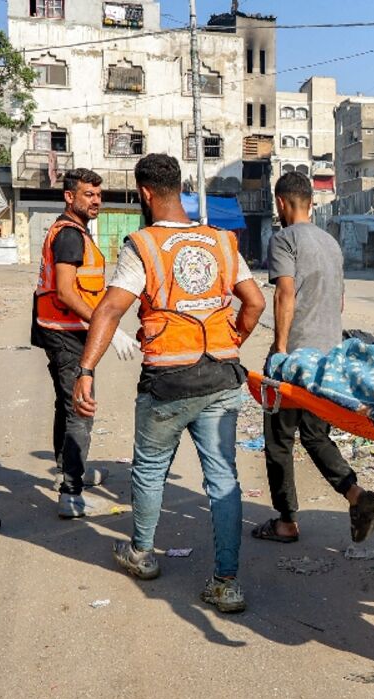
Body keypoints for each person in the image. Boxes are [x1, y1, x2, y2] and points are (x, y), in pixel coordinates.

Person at [72, 153, 265, 614]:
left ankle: (141, 554)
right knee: (222, 480)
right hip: (221, 374)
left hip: (169, 381)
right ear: (180, 188)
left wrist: (86, 370)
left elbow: (110, 309)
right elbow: (254, 303)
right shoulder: (222, 241)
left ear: (144, 193)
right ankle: (226, 583)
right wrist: (229, 339)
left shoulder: (143, 245)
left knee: (151, 468)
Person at [251, 171, 374, 545]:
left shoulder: (284, 239)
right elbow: (338, 301)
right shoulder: (331, 243)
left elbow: (284, 294)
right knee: (315, 434)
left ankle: (286, 522)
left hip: (296, 358)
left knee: (278, 439)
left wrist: (281, 348)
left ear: (280, 203)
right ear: (311, 201)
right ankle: (356, 494)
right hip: (328, 356)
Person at [31, 168, 138, 518]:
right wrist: (106, 323)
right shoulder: (70, 236)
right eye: (88, 195)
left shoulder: (72, 231)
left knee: (67, 404)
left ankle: (69, 470)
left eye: (97, 194)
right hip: (65, 332)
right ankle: (71, 492)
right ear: (69, 197)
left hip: (60, 329)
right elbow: (64, 291)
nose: (96, 200)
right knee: (81, 407)